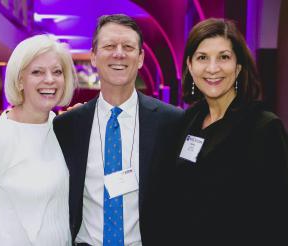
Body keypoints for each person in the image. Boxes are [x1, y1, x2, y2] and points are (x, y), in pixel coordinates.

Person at [53, 14, 184, 246]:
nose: (119, 53)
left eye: (129, 47)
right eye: (109, 46)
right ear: (93, 56)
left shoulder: (171, 122)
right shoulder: (68, 126)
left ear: (141, 57)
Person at [174, 18, 288, 245]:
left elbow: (277, 218)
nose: (213, 68)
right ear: (189, 65)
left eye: (224, 57)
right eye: (202, 57)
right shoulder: (188, 121)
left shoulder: (263, 128)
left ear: (238, 67)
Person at [0, 34, 76, 246]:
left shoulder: (62, 130)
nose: (49, 79)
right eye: (37, 72)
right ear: (20, 81)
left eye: (57, 72)